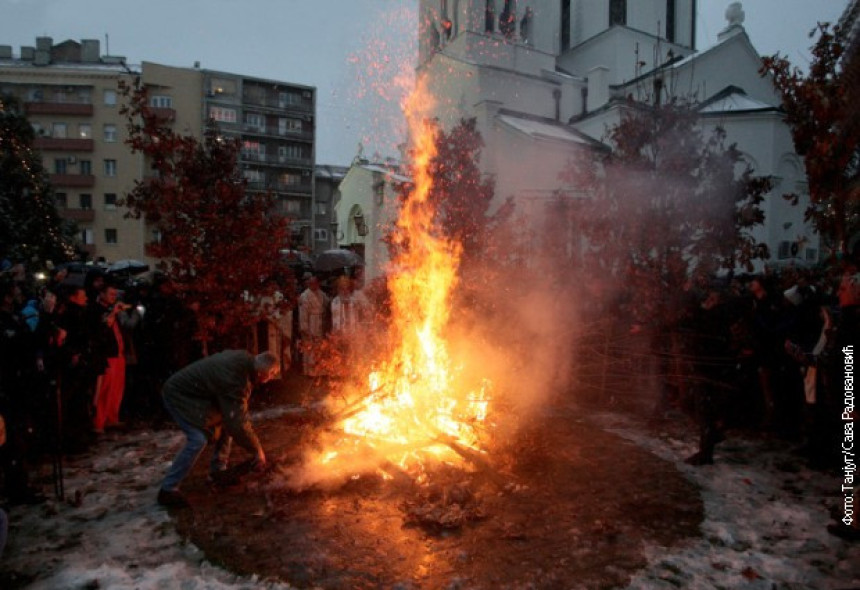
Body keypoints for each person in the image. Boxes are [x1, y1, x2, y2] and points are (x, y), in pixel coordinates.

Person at [157, 350, 281, 508]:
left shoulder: (244, 362)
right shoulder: (237, 380)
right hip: (180, 395)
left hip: (197, 396)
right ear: (263, 372)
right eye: (272, 374)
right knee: (197, 439)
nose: (271, 379)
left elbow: (232, 416)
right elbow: (238, 422)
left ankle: (218, 473)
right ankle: (168, 490)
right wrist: (257, 450)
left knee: (226, 422)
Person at [298, 275, 329, 377]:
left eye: (316, 283)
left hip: (320, 321)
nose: (315, 285)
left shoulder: (321, 294)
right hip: (310, 322)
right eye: (312, 283)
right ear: (309, 284)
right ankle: (310, 371)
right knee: (309, 347)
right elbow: (303, 313)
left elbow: (327, 303)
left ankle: (320, 370)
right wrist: (304, 328)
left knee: (319, 346)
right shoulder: (305, 296)